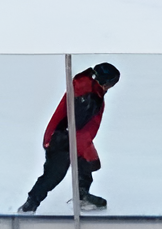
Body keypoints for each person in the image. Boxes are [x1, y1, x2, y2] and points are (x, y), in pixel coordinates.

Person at [19, 61, 121, 209]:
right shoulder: (87, 95)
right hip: (62, 139)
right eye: (111, 84)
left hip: (78, 137)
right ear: (104, 81)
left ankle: (82, 195)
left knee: (85, 164)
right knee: (54, 174)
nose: (110, 88)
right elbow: (76, 123)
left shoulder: (91, 88)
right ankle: (29, 205)